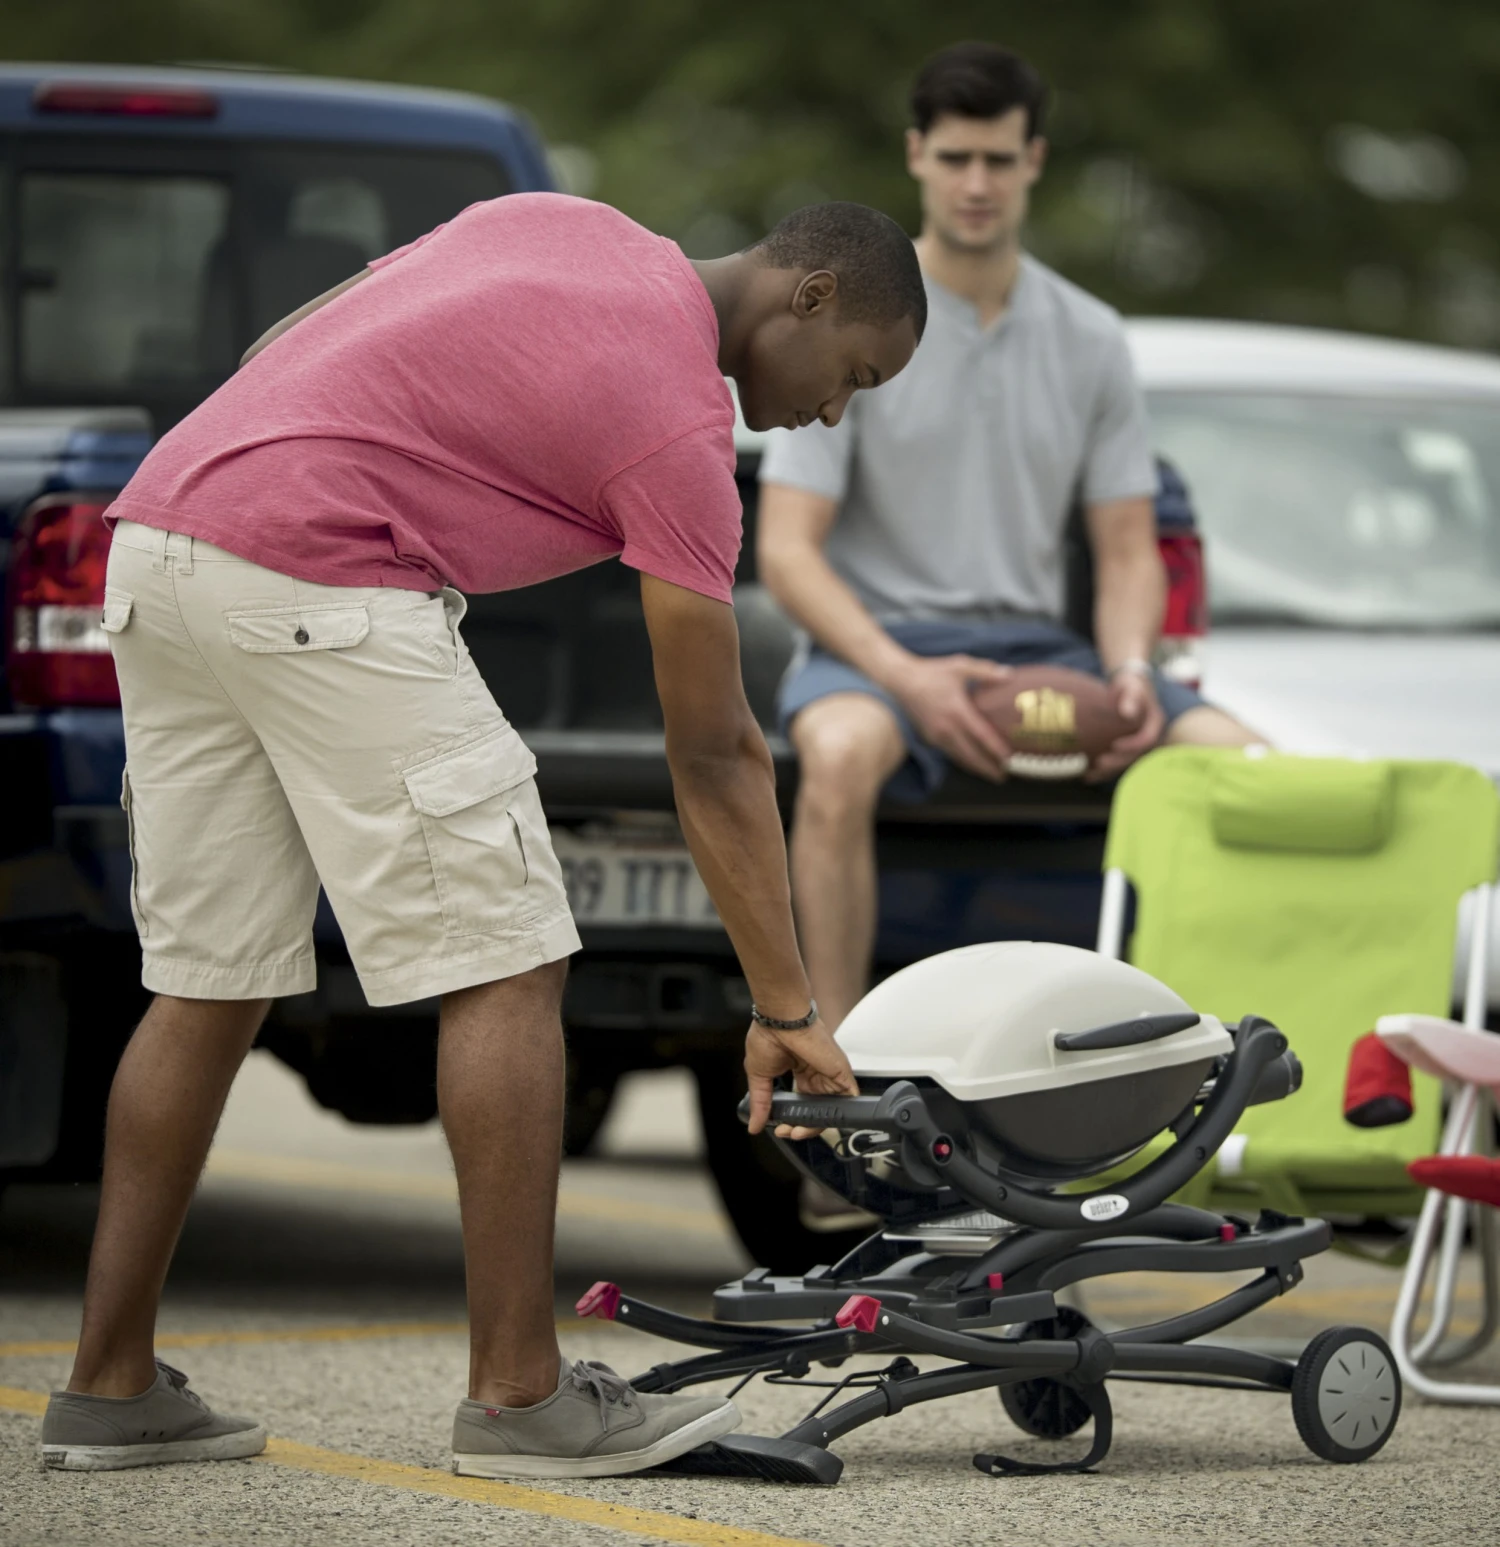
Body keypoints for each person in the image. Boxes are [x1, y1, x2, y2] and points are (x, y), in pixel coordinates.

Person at [39, 194, 924, 1479]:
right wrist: (785, 1003)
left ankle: (110, 1386)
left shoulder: (561, 220)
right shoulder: (679, 423)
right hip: (319, 572)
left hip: (165, 538)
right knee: (510, 958)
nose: (835, 411)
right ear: (811, 296)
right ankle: (521, 1397)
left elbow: (292, 336)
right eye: (854, 375)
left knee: (207, 980)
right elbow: (715, 750)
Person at [757, 43, 1261, 1031]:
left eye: (997, 159)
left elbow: (1128, 549)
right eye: (955, 158)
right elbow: (786, 551)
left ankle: (1220, 1049)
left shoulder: (1091, 335)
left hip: (1043, 655)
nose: (976, 183)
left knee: (1246, 770)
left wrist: (1129, 667)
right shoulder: (849, 316)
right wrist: (907, 677)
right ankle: (833, 1063)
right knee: (839, 759)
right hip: (876, 658)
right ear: (917, 155)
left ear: (1034, 160)